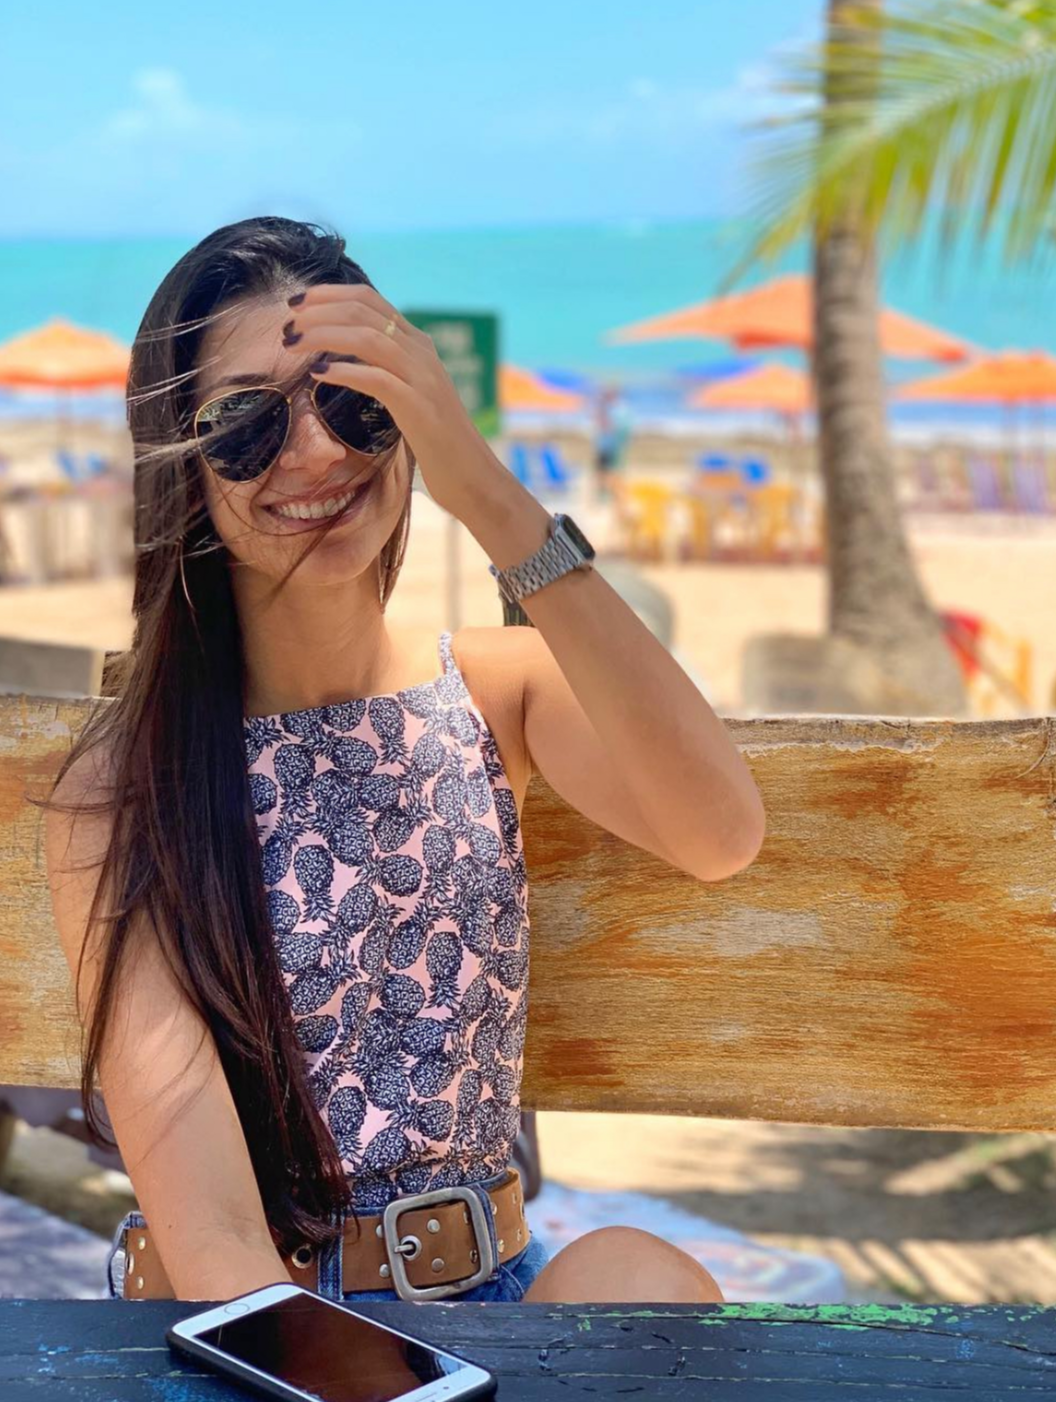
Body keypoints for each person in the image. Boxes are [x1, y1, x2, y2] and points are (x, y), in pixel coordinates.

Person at [44, 217, 765, 1306]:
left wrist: (484, 490)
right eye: (246, 423)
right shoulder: (129, 785)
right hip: (246, 1317)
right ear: (185, 468)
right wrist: (359, 1374)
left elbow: (719, 833)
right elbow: (219, 1240)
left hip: (487, 1300)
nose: (317, 452)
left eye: (354, 401)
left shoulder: (497, 690)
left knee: (638, 1273)